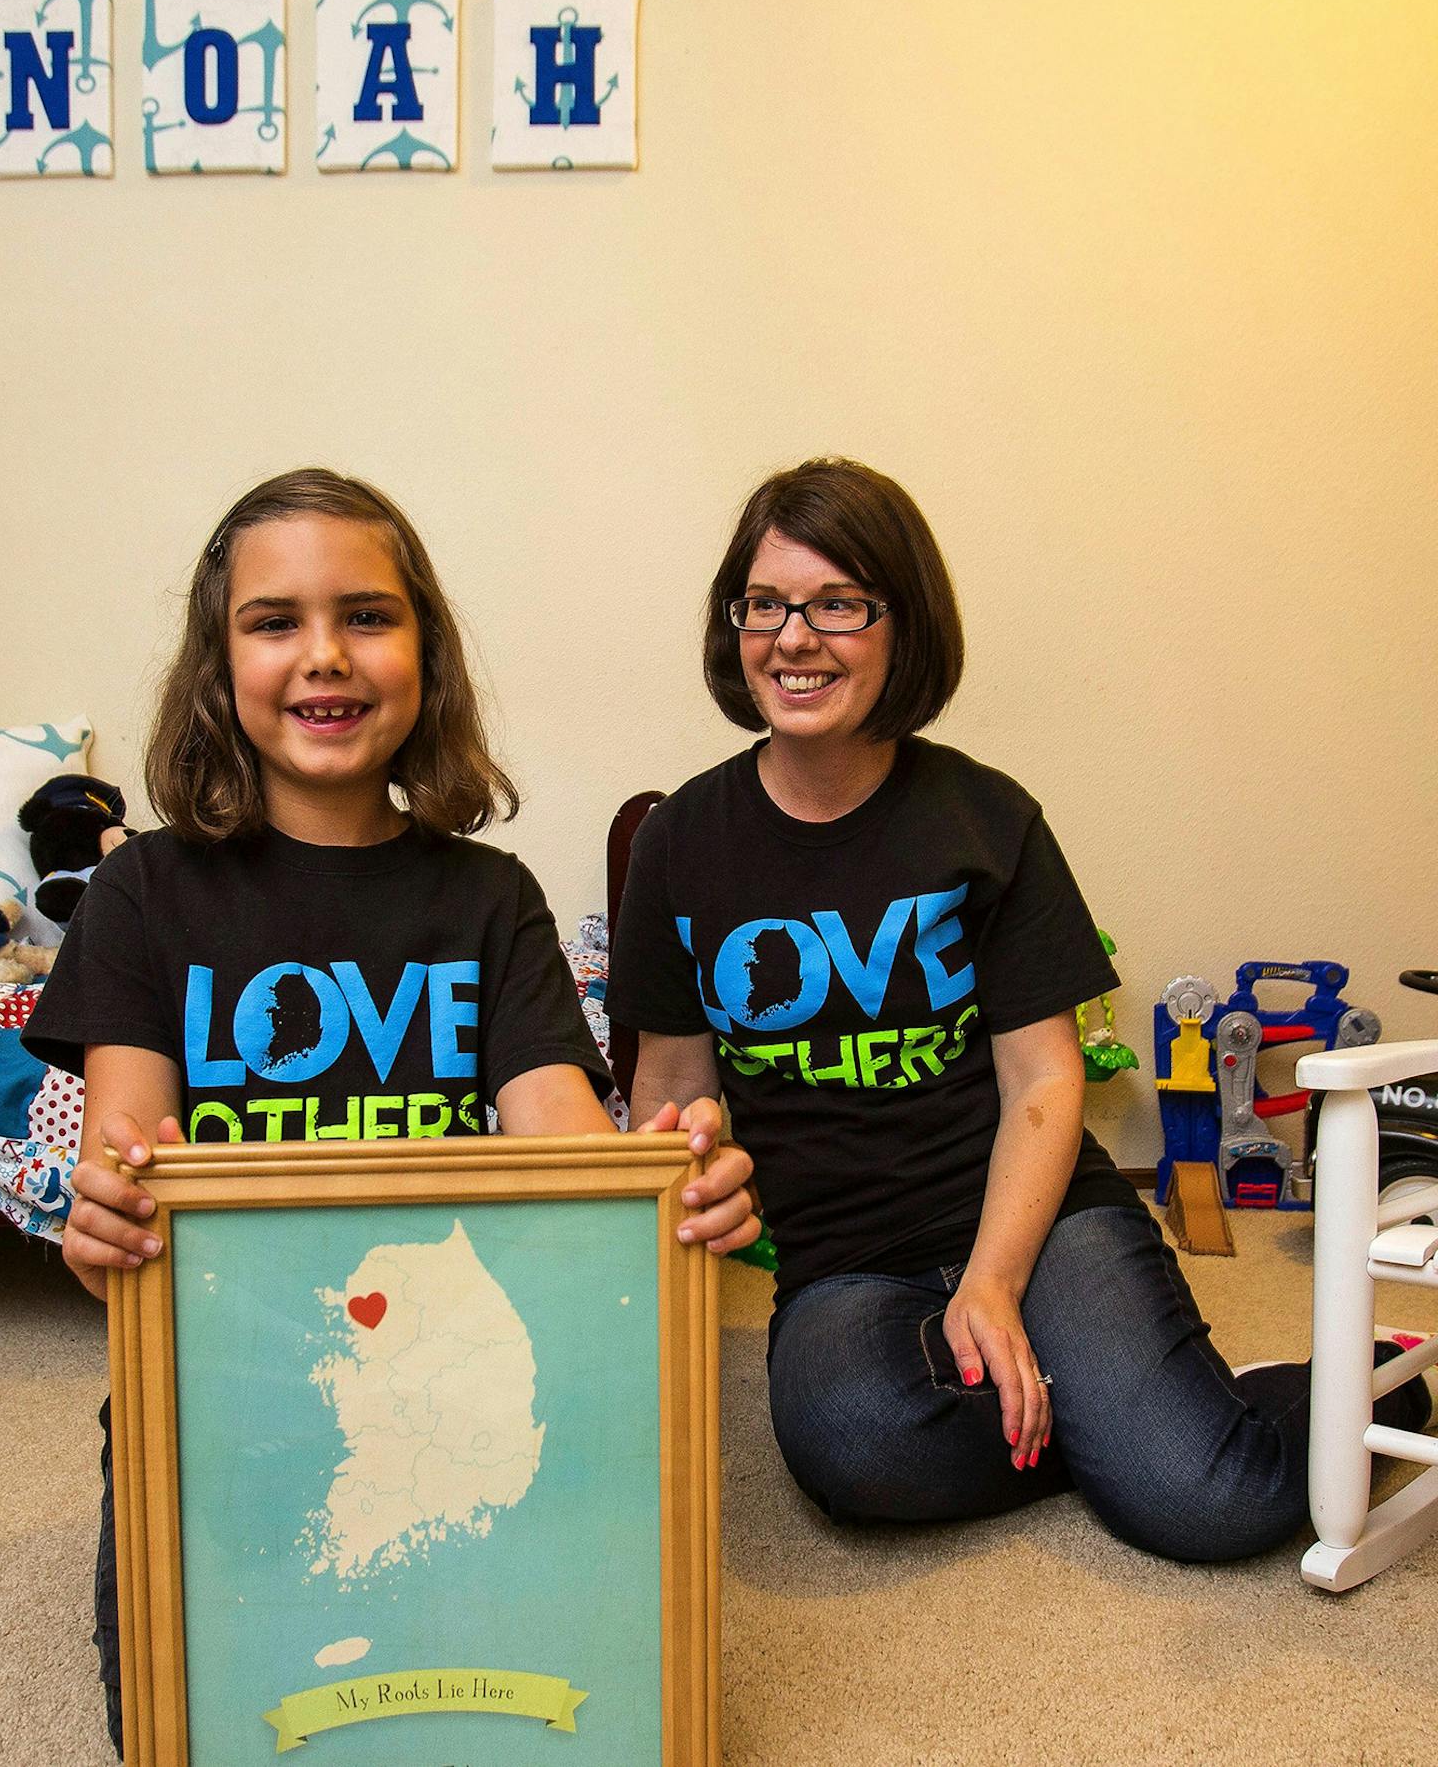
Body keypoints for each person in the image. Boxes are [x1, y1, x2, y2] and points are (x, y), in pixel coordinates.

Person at [22, 467, 756, 1752]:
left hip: (457, 1396)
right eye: (273, 621)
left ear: (426, 651)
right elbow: (125, 1225)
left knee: (556, 1690)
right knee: (198, 1719)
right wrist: (102, 1238)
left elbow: (575, 1181)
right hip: (217, 1403)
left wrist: (668, 1194)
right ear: (218, 662)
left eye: (367, 615)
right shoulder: (143, 893)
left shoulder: (488, 898)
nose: (324, 656)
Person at [606, 456, 1431, 1563]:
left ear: (903, 626)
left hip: (1043, 1222)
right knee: (852, 1447)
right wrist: (683, 1167)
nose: (794, 637)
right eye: (766, 603)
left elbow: (1045, 1081)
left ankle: (1325, 1393)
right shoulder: (677, 845)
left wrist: (993, 1279)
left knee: (1207, 1504)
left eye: (838, 603)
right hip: (845, 1261)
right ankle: (1127, 1412)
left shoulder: (985, 817)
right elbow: (672, 1088)